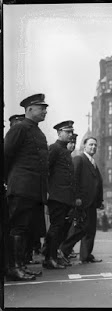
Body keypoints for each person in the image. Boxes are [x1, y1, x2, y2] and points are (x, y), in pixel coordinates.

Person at [4, 93, 49, 281]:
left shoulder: (37, 131)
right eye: (42, 107)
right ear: (29, 109)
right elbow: (6, 155)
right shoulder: (20, 128)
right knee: (18, 228)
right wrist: (8, 180)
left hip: (33, 190)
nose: (45, 111)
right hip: (21, 187)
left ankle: (21, 265)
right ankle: (14, 268)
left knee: (27, 229)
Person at [59, 137, 104, 264]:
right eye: (90, 145)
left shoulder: (92, 162)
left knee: (90, 230)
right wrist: (76, 197)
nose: (93, 147)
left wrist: (99, 201)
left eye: (95, 145)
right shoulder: (79, 159)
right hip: (82, 202)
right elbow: (73, 179)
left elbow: (97, 183)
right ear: (84, 146)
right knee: (79, 229)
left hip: (92, 203)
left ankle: (86, 255)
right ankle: (63, 252)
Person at [42, 120, 75, 270]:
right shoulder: (54, 148)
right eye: (67, 132)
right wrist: (49, 191)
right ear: (59, 132)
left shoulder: (65, 151)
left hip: (65, 197)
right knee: (56, 228)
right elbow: (45, 170)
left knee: (60, 228)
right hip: (57, 196)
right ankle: (50, 258)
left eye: (71, 131)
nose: (70, 134)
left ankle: (51, 256)